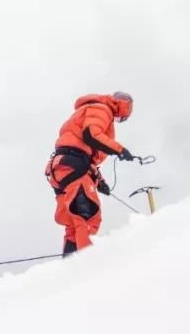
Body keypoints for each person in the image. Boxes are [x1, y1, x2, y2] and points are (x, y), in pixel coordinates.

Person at [45, 92, 135, 255]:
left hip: (62, 168)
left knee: (74, 223)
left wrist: (100, 182)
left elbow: (84, 155)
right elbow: (91, 134)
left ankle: (70, 266)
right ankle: (86, 267)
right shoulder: (102, 109)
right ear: (123, 106)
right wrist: (119, 150)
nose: (119, 121)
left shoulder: (88, 110)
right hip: (73, 166)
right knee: (87, 217)